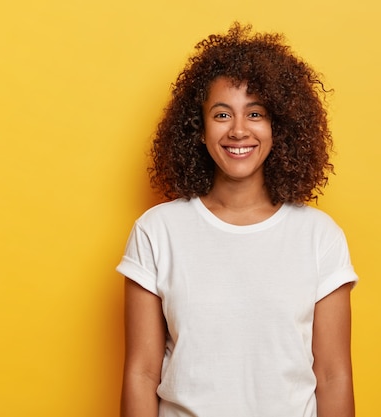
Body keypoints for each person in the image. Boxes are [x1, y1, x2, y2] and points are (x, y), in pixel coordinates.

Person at [117, 23, 358, 417]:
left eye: (256, 113)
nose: (239, 130)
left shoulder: (319, 236)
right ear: (199, 128)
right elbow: (141, 374)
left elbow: (333, 375)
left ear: (278, 127)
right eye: (222, 114)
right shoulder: (157, 231)